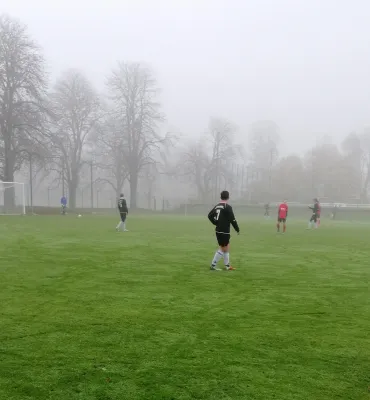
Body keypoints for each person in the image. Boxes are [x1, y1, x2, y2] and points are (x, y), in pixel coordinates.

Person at [207, 190, 240, 271]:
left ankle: (228, 266)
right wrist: (237, 229)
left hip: (218, 230)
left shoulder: (217, 206)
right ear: (228, 197)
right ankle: (213, 265)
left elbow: (209, 215)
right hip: (224, 231)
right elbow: (233, 220)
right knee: (223, 248)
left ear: (220, 197)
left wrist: (215, 222)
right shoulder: (227, 207)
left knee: (226, 247)